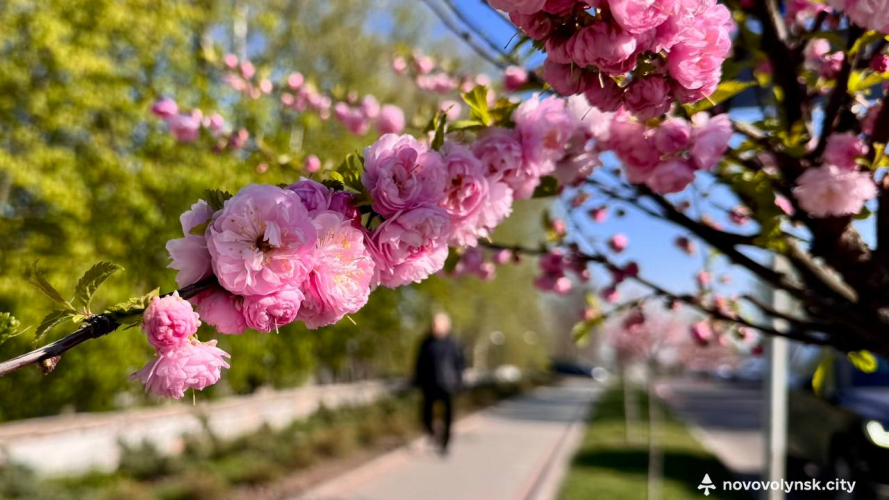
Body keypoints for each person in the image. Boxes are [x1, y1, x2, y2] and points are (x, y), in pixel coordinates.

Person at [413, 312, 465, 455]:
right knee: (425, 415)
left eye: (438, 325)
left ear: (446, 326)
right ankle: (433, 432)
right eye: (434, 324)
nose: (435, 327)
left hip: (448, 384)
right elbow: (419, 363)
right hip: (429, 384)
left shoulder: (453, 343)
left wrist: (459, 381)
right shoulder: (426, 342)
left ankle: (445, 442)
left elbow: (460, 364)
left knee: (448, 415)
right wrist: (416, 380)